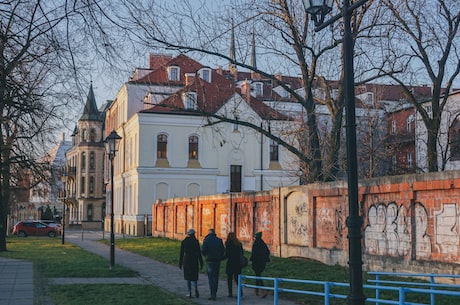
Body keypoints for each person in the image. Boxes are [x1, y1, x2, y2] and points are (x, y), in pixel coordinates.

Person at [179, 228, 203, 298]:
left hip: (187, 260)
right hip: (194, 260)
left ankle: (189, 292)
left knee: (188, 277)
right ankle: (196, 288)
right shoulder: (196, 241)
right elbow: (199, 253)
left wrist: (180, 263)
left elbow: (181, 253)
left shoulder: (184, 242)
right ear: (194, 234)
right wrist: (201, 263)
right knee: (194, 276)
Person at [201, 228, 225, 300]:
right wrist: (220, 256)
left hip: (210, 260)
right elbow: (223, 250)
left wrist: (206, 255)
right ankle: (215, 292)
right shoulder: (219, 240)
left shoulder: (206, 240)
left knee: (210, 278)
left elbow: (203, 250)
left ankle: (212, 294)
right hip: (217, 260)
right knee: (216, 277)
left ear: (209, 233)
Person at [250, 231, 270, 298]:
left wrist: (251, 260)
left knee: (258, 276)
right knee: (258, 275)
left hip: (256, 263)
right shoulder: (263, 244)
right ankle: (256, 290)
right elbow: (268, 252)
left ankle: (263, 290)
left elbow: (253, 254)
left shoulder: (255, 244)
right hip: (263, 263)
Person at [223, 232, 243, 298]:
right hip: (237, 263)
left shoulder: (228, 244)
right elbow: (242, 254)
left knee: (229, 279)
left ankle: (230, 293)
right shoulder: (239, 244)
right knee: (237, 278)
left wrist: (220, 258)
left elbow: (227, 254)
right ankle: (240, 292)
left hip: (230, 263)